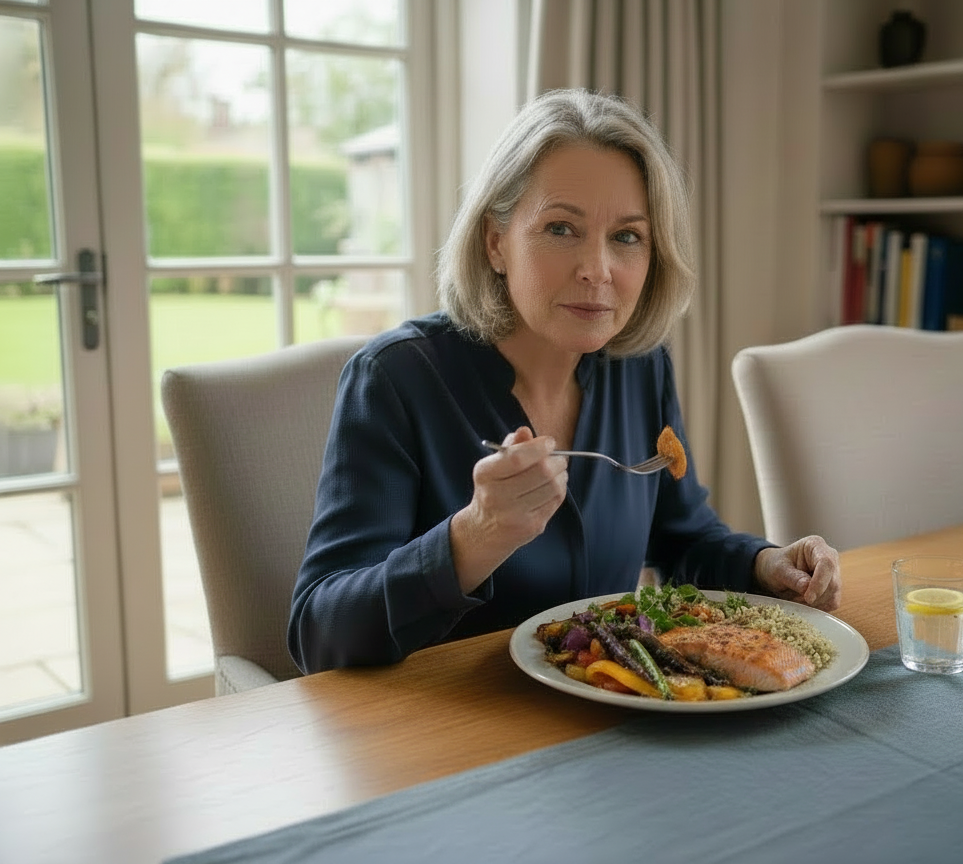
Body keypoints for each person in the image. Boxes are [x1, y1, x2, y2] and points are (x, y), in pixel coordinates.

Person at [288, 88, 841, 674]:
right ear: (495, 241)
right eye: (560, 229)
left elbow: (682, 540)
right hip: (449, 737)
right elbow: (320, 635)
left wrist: (766, 564)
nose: (597, 270)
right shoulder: (395, 380)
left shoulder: (640, 365)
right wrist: (474, 538)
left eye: (627, 236)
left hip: (612, 716)